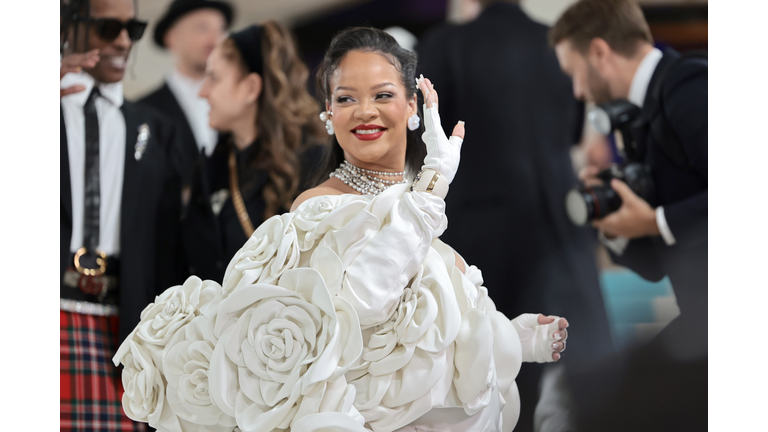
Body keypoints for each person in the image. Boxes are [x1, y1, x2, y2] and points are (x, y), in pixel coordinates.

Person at [114, 27, 570, 432]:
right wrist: (431, 189)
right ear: (328, 113)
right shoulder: (319, 207)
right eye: (347, 99)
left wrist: (517, 338)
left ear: (412, 105)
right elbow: (361, 306)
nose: (365, 112)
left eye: (383, 95)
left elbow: (434, 329)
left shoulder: (416, 203)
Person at [416, 1, 615, 430]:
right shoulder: (556, 42)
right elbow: (573, 129)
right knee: (593, 372)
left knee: (494, 377)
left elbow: (430, 137)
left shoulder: (447, 45)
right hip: (560, 222)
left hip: (483, 234)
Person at [550, 0, 707, 430]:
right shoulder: (638, 116)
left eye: (574, 73)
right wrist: (616, 224)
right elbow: (654, 267)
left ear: (599, 52)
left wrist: (656, 221)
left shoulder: (689, 86)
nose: (577, 92)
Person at [59, 0, 190, 430]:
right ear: (69, 28)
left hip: (128, 327)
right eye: (107, 28)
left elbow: (167, 247)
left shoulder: (157, 129)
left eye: (131, 30)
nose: (122, 41)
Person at [173, 22, 326, 284]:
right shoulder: (211, 169)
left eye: (214, 78)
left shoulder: (315, 163)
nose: (203, 92)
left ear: (251, 88)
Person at [139, 0, 233, 159]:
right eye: (202, 28)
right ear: (172, 38)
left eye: (221, 29)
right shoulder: (145, 111)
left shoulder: (238, 102)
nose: (215, 39)